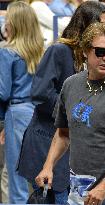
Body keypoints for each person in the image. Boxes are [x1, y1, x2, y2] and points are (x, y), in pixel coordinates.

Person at [35, 22, 105, 205]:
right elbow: (63, 133)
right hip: (78, 193)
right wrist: (48, 166)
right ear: (85, 51)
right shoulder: (70, 85)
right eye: (100, 51)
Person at [17, 1, 105, 204]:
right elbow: (40, 94)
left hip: (73, 152)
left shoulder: (95, 58)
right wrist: (76, 111)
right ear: (86, 24)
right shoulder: (60, 51)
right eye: (102, 26)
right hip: (46, 145)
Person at [0, 1, 44, 203]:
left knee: (17, 179)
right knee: (40, 176)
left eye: (7, 19)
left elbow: (2, 92)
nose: (5, 23)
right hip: (39, 114)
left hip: (17, 114)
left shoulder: (7, 52)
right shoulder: (41, 51)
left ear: (14, 24)